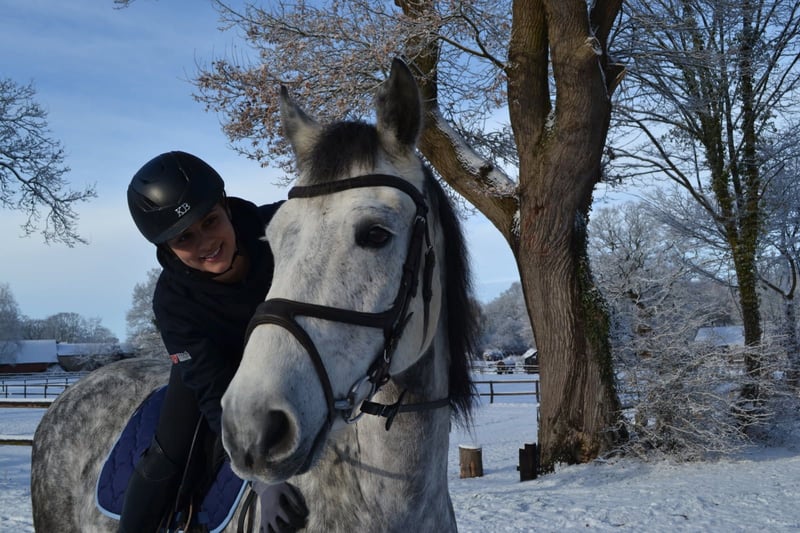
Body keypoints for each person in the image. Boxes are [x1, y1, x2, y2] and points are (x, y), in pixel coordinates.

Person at [120, 150, 308, 533]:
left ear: (225, 205)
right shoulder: (172, 301)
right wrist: (261, 477)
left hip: (297, 353)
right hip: (220, 369)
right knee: (169, 452)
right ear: (167, 248)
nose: (206, 242)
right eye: (184, 238)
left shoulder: (283, 226)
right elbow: (213, 391)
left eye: (210, 221)